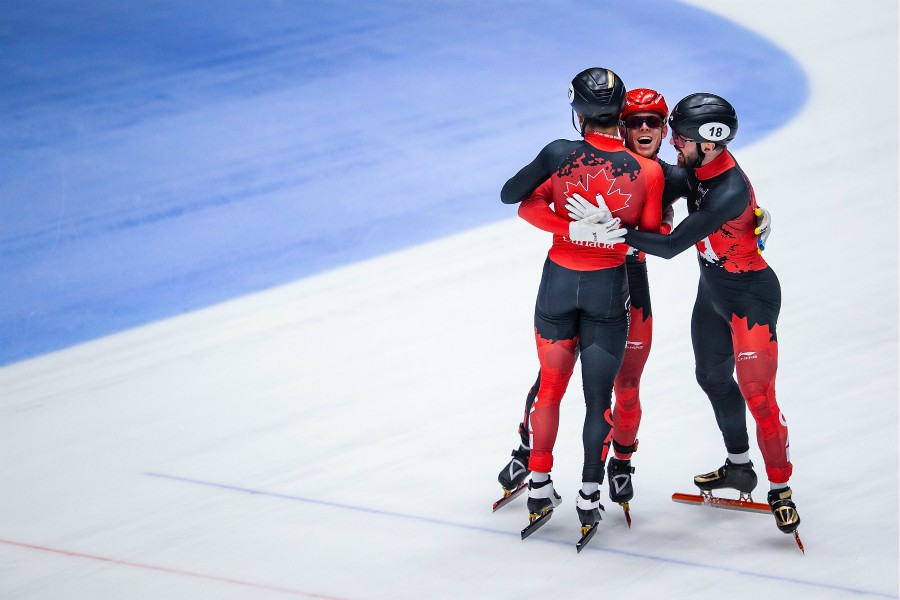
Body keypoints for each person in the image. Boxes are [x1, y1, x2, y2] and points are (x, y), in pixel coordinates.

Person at [608, 92, 800, 535]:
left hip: (750, 301)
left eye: (681, 138)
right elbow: (652, 173)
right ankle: (739, 467)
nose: (674, 143)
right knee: (712, 378)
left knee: (759, 397)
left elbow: (672, 246)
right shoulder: (699, 168)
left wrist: (614, 231)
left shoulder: (728, 190)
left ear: (709, 143)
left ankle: (781, 490)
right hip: (712, 293)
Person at [497, 89, 685, 516]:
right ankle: (528, 449)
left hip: (626, 282)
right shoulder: (607, 164)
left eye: (652, 122)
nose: (642, 129)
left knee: (626, 385)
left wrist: (754, 217)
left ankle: (621, 462)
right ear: (620, 124)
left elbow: (713, 189)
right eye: (633, 122)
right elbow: (535, 197)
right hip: (607, 278)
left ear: (664, 130)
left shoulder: (669, 176)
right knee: (552, 378)